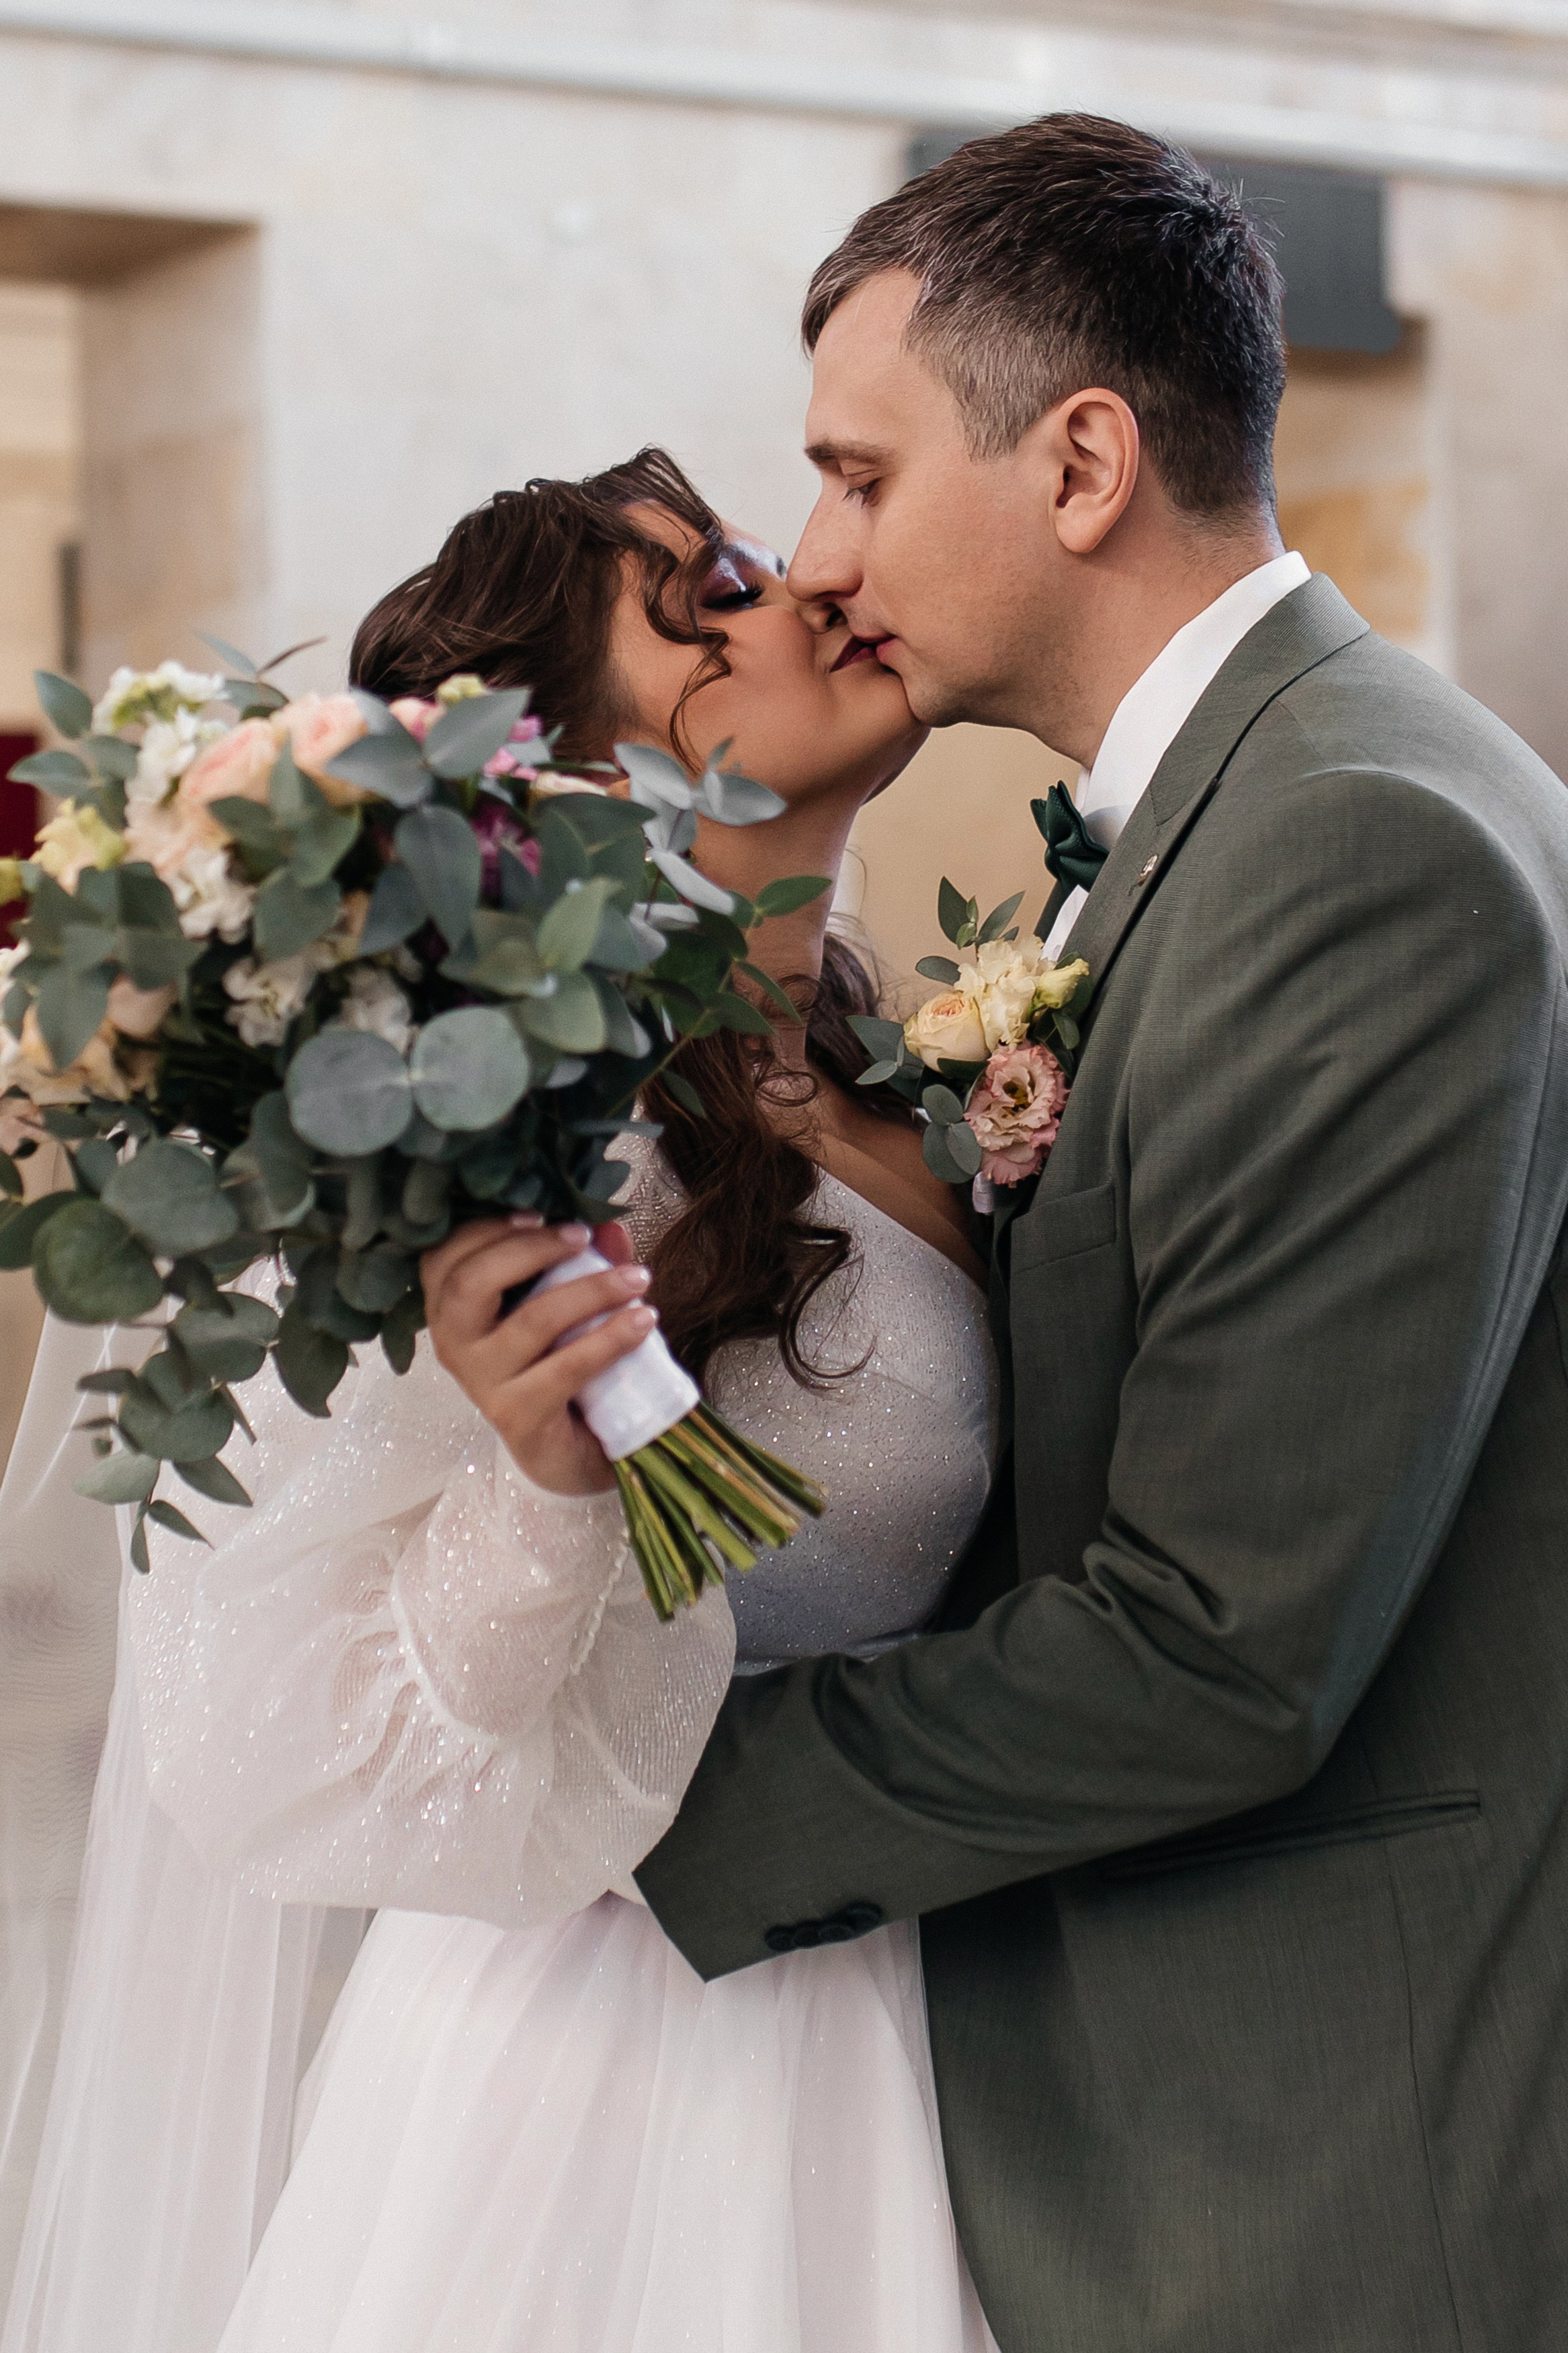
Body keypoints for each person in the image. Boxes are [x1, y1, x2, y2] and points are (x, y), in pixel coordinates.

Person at [632, 116, 1568, 2352]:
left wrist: (633, 1797)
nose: (825, 556)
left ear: (1077, 462)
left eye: (858, 475)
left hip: (1311, 2151)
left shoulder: (1359, 847)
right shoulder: (1212, 820)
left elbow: (1219, 1641)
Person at [1, 448, 1003, 2353]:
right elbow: (296, 1734)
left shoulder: (928, 1064)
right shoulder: (539, 1155)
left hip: (971, 1990)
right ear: (585, 780)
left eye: (765, 552)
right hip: (633, 2077)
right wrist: (544, 1492)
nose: (799, 592)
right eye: (702, 595)